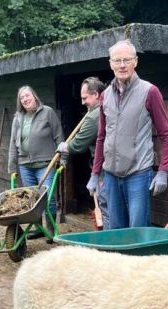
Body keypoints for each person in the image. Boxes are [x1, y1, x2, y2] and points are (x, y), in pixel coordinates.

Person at [90, 39, 168, 229]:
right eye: (117, 61)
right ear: (110, 64)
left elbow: (166, 134)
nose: (122, 65)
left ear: (135, 61)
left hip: (138, 173)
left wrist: (163, 171)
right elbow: (102, 137)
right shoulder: (105, 96)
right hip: (110, 174)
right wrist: (95, 174)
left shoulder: (149, 91)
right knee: (116, 229)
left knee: (138, 229)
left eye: (126, 60)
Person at [7, 85, 63, 239]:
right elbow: (13, 143)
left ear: (34, 96)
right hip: (25, 165)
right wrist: (12, 167)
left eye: (27, 95)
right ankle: (39, 228)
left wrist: (62, 159)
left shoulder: (47, 112)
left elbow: (59, 137)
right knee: (32, 198)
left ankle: (50, 228)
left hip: (46, 164)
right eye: (22, 97)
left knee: (48, 197)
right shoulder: (18, 118)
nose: (25, 99)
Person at [56, 76, 109, 228]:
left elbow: (78, 145)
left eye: (85, 98)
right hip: (106, 164)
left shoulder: (94, 116)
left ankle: (106, 236)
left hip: (104, 167)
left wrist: (64, 147)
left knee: (105, 207)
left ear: (96, 95)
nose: (82, 102)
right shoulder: (103, 109)